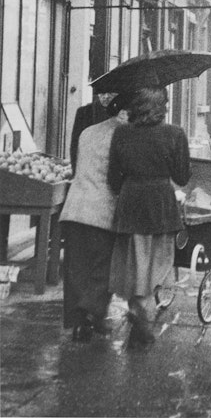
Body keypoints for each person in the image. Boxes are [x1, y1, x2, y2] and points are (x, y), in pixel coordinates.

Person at [107, 86, 191, 346]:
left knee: (134, 261)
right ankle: (144, 311)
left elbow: (113, 178)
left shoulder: (121, 133)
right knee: (159, 261)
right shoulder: (175, 134)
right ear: (161, 107)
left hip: (131, 202)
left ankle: (138, 308)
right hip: (160, 204)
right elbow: (182, 177)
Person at [60, 93, 130, 341]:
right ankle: (91, 315)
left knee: (76, 269)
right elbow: (118, 176)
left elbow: (77, 163)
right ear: (126, 112)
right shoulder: (123, 135)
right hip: (102, 210)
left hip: (75, 207)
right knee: (103, 267)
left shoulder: (88, 132)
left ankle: (79, 323)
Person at [69, 93, 112, 174]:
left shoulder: (123, 114)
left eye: (111, 92)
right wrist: (76, 172)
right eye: (102, 92)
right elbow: (75, 145)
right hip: (89, 170)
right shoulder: (84, 112)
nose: (106, 96)